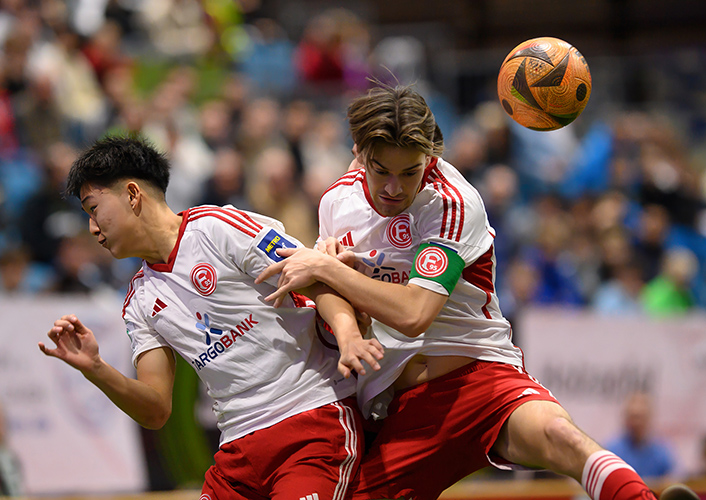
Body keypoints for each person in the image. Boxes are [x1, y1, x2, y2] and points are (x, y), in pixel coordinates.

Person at [257, 83, 699, 500]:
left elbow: (415, 314)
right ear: (359, 152)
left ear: (430, 155)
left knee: (559, 436)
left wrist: (329, 270)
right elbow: (328, 284)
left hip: (478, 375)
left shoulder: (452, 202)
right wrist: (343, 314)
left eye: (409, 172)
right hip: (401, 409)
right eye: (381, 171)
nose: (394, 188)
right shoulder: (337, 201)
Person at [38, 136, 384, 500]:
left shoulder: (219, 227)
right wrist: (95, 367)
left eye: (94, 209)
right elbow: (156, 409)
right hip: (237, 452)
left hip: (311, 422)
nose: (93, 228)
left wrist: (349, 336)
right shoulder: (139, 301)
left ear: (132, 194)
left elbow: (318, 280)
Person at [606, 392, 675, 480]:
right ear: (625, 418)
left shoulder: (662, 452)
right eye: (633, 417)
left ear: (649, 418)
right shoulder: (612, 452)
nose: (637, 422)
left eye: (641, 417)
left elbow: (672, 481)